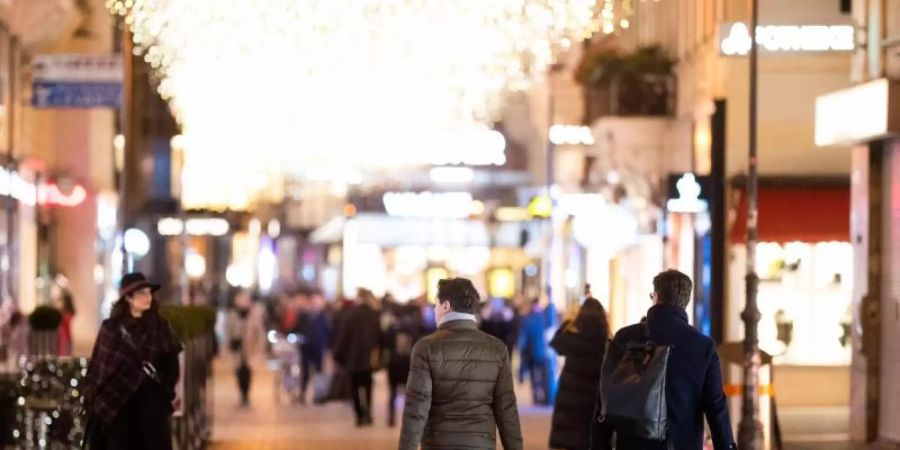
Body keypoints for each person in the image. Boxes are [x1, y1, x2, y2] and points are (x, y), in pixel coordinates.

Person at [591, 269, 736, 450]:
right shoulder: (703, 346)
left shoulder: (626, 337)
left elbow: (605, 396)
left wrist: (599, 444)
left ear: (656, 297)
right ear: (686, 302)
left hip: (632, 444)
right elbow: (716, 407)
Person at [399, 278, 523, 450]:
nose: (435, 310)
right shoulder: (497, 349)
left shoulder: (426, 347)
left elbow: (416, 408)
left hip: (439, 443)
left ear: (446, 306)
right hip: (481, 444)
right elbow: (506, 409)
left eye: (436, 305)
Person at [83, 273, 182, 450]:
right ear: (128, 298)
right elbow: (99, 368)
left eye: (149, 293)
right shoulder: (110, 328)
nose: (148, 297)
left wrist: (164, 394)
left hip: (151, 406)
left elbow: (171, 364)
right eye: (141, 293)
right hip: (118, 406)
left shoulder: (160, 326)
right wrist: (96, 400)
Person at [548, 297, 609, 450]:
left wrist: (569, 321)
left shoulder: (573, 339)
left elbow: (555, 342)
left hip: (569, 404)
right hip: (592, 403)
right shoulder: (605, 343)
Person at [333, 288, 382, 427]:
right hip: (369, 359)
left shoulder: (350, 315)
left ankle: (359, 416)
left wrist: (338, 356)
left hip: (352, 359)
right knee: (368, 387)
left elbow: (343, 338)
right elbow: (380, 337)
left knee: (354, 388)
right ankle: (368, 414)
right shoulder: (374, 314)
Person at [382, 302, 421, 427]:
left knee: (392, 391)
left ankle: (391, 418)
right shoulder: (413, 327)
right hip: (409, 363)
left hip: (394, 363)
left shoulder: (391, 327)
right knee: (410, 393)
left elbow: (385, 344)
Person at [225, 289, 266, 406]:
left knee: (248, 372)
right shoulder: (233, 315)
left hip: (249, 349)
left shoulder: (254, 315)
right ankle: (242, 393)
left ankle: (246, 394)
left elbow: (259, 332)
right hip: (237, 350)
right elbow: (228, 331)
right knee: (238, 372)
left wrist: (259, 348)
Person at [518, 298, 557, 405]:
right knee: (545, 377)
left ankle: (536, 397)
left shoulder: (527, 319)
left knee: (535, 377)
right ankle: (545, 398)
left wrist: (522, 351)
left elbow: (523, 339)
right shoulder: (544, 319)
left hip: (532, 354)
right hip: (544, 354)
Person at [296, 289, 331, 404]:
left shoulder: (324, 317)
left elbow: (329, 333)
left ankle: (319, 395)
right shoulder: (303, 316)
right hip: (305, 349)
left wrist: (328, 346)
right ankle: (302, 393)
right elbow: (297, 329)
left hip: (318, 348)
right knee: (305, 372)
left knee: (319, 372)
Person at [55, 291, 76, 356]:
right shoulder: (68, 311)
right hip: (67, 334)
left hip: (65, 335)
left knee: (65, 351)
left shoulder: (65, 312)